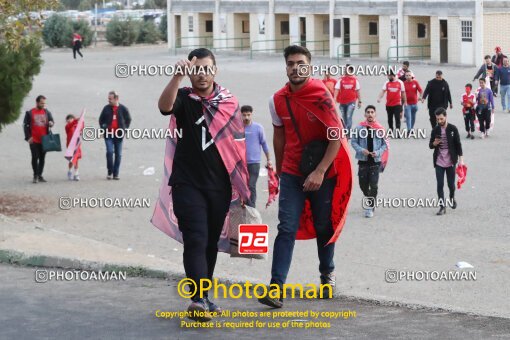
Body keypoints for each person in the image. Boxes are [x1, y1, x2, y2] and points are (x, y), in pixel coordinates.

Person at [156, 48, 251, 321]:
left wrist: (245, 184)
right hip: (187, 182)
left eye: (207, 69)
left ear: (215, 71)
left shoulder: (228, 102)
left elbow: (237, 146)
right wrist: (176, 77)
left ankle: (205, 297)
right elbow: (164, 107)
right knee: (195, 238)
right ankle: (197, 299)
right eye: (196, 69)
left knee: (210, 243)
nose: (202, 74)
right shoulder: (184, 97)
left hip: (219, 186)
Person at [259, 45, 352, 309]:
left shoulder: (322, 95)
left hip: (324, 172)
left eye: (300, 63)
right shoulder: (276, 100)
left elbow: (336, 136)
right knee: (285, 227)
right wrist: (278, 170)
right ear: (285, 66)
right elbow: (279, 135)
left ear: (309, 66)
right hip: (292, 173)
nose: (295, 68)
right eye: (290, 63)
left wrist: (320, 171)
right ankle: (276, 288)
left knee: (324, 227)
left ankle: (327, 274)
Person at [351, 105, 388, 218]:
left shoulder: (380, 129)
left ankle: (370, 207)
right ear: (365, 114)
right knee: (363, 185)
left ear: (375, 114)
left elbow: (385, 144)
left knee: (374, 185)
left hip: (375, 161)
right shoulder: (359, 128)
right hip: (363, 161)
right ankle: (369, 198)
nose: (370, 114)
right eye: (368, 112)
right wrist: (362, 150)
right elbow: (353, 142)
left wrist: (378, 152)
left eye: (372, 112)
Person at [429, 108, 463, 216]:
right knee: (440, 185)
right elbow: (430, 145)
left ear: (446, 116)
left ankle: (452, 198)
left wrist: (461, 159)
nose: (440, 121)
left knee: (451, 185)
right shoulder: (435, 130)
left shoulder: (453, 128)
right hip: (439, 161)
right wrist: (434, 143)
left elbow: (458, 145)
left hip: (450, 161)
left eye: (441, 119)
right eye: (438, 119)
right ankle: (442, 206)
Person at [241, 105, 271, 208]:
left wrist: (269, 160)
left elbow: (264, 144)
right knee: (242, 186)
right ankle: (244, 205)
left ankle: (251, 207)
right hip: (241, 163)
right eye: (244, 115)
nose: (246, 117)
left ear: (252, 114)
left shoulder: (258, 128)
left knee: (251, 185)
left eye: (248, 115)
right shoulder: (237, 128)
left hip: (254, 163)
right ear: (241, 115)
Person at [99, 91, 131, 180]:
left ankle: (116, 174)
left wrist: (125, 129)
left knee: (118, 154)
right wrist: (103, 128)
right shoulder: (106, 108)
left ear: (116, 99)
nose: (108, 100)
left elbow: (128, 119)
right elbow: (101, 119)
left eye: (110, 99)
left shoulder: (123, 109)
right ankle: (110, 171)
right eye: (108, 98)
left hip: (119, 135)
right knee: (109, 152)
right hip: (108, 134)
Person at [23, 95, 54, 183]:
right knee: (34, 157)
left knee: (42, 158)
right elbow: (25, 126)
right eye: (41, 103)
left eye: (44, 103)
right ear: (37, 102)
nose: (43, 105)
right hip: (33, 140)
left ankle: (40, 175)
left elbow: (51, 120)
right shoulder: (30, 113)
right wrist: (28, 137)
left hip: (44, 139)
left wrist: (51, 123)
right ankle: (35, 175)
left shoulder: (46, 112)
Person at [334, 64, 362, 131]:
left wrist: (360, 101)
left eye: (347, 69)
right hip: (342, 102)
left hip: (351, 102)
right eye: (345, 69)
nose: (345, 70)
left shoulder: (355, 80)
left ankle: (347, 132)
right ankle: (346, 130)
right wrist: (334, 99)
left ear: (350, 70)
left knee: (349, 116)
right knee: (344, 117)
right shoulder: (340, 80)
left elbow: (358, 91)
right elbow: (336, 89)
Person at [65, 114, 82, 180]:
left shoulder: (77, 126)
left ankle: (76, 173)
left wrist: (81, 121)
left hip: (76, 145)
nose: (69, 120)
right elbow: (71, 124)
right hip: (70, 146)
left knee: (76, 159)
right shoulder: (67, 126)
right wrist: (75, 120)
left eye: (71, 118)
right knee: (71, 160)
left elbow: (81, 129)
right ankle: (69, 171)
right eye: (68, 119)